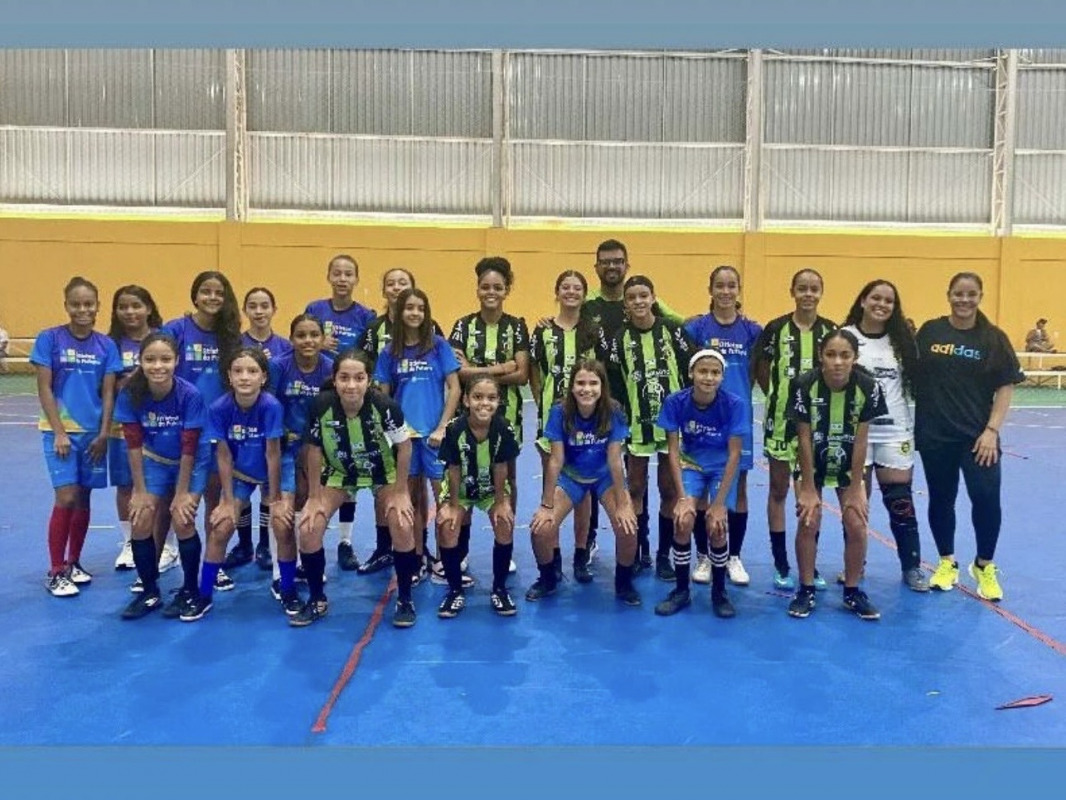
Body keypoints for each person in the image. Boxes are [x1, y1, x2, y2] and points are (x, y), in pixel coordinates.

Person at [914, 272, 1023, 601]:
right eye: (958, 294)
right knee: (941, 499)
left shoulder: (993, 338)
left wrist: (992, 430)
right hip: (936, 436)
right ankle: (946, 562)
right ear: (948, 295)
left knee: (986, 499)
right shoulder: (931, 332)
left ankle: (984, 565)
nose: (964, 300)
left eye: (971, 294)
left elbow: (1005, 386)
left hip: (978, 439)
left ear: (980, 296)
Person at [297, 349, 417, 628]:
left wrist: (400, 491)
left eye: (359, 378)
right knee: (308, 527)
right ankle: (317, 599)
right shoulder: (320, 406)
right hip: (341, 472)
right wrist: (314, 497)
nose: (351, 385)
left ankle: (405, 599)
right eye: (345, 378)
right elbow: (312, 451)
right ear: (335, 380)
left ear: (369, 380)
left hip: (381, 472)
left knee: (401, 522)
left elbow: (404, 446)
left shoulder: (385, 406)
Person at [580, 239, 683, 558]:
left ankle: (663, 553)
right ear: (596, 266)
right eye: (606, 261)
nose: (612, 266)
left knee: (668, 487)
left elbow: (684, 330)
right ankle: (623, 547)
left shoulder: (667, 325)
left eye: (619, 261)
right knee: (619, 481)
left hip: (666, 419)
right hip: (622, 413)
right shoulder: (591, 307)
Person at [179, 347, 292, 622]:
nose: (245, 377)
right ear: (229, 376)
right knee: (220, 528)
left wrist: (275, 497)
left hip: (274, 470)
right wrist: (229, 501)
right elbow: (224, 454)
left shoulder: (271, 406)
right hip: (241, 472)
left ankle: (288, 590)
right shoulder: (219, 408)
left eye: (252, 371)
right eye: (238, 371)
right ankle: (204, 595)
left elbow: (273, 453)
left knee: (281, 523)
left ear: (263, 377)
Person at [31, 277, 123, 597]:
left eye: (88, 304)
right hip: (61, 433)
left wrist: (103, 434)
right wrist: (58, 431)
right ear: (66, 305)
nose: (82, 309)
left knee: (83, 497)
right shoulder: (50, 339)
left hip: (94, 434)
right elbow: (44, 386)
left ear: (97, 306)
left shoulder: (106, 346)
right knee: (66, 496)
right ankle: (56, 570)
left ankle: (74, 563)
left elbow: (109, 393)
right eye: (76, 304)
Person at [787, 330, 887, 621]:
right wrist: (807, 486)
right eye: (831, 355)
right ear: (821, 356)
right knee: (809, 520)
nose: (838, 362)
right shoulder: (804, 384)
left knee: (856, 523)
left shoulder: (868, 386)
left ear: (855, 358)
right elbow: (804, 437)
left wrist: (856, 487)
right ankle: (806, 589)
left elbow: (860, 439)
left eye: (845, 355)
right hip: (812, 463)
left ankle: (853, 591)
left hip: (848, 464)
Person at [602, 275, 695, 582]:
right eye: (632, 297)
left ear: (654, 297)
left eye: (644, 295)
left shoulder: (672, 331)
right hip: (636, 426)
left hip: (670, 426)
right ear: (626, 304)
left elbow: (691, 369)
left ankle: (664, 555)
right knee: (636, 487)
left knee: (669, 488)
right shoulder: (619, 339)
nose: (639, 301)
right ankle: (641, 550)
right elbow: (613, 382)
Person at [113, 332, 211, 619]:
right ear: (140, 361)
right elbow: (132, 444)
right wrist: (140, 491)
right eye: (151, 359)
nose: (158, 366)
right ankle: (149, 590)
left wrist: (182, 494)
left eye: (166, 360)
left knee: (182, 519)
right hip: (154, 460)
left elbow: (189, 447)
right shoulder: (130, 393)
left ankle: (191, 590)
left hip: (192, 462)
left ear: (176, 361)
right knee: (141, 518)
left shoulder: (189, 395)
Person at [527, 359, 640, 605]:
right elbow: (555, 460)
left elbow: (614, 460)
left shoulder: (614, 411)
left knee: (628, 527)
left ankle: (623, 583)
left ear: (602, 386)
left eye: (593, 383)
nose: (586, 389)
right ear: (571, 386)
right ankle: (548, 579)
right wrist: (546, 505)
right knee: (541, 529)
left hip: (604, 478)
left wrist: (623, 502)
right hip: (572, 478)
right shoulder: (559, 412)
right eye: (580, 383)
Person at [752, 268, 836, 590]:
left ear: (821, 292)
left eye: (814, 288)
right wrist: (776, 397)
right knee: (778, 490)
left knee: (810, 494)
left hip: (816, 427)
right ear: (792, 290)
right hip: (780, 423)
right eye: (802, 288)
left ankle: (808, 562)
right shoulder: (775, 329)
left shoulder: (830, 331)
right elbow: (761, 367)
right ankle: (781, 562)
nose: (808, 294)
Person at [842, 280, 928, 591]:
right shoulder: (847, 336)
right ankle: (855, 565)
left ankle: (912, 567)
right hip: (856, 430)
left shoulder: (902, 341)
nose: (881, 304)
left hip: (894, 431)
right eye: (875, 298)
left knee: (900, 501)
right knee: (855, 503)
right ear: (863, 300)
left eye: (889, 300)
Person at [374, 288, 461, 585]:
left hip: (434, 437)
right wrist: (391, 436)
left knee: (444, 499)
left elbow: (455, 388)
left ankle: (445, 559)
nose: (414, 313)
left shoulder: (438, 346)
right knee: (410, 501)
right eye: (409, 307)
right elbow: (383, 397)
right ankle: (417, 556)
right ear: (399, 312)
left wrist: (442, 427)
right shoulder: (389, 353)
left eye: (420, 308)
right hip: (404, 441)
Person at [163, 270, 243, 591]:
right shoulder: (176, 329)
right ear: (194, 295)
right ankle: (172, 556)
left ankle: (215, 561)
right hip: (183, 429)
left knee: (216, 498)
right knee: (177, 499)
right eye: (206, 291)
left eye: (219, 293)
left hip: (220, 430)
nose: (212, 298)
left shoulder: (230, 336)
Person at [683, 265, 762, 588]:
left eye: (732, 286)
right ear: (710, 289)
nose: (726, 291)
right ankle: (703, 554)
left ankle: (733, 556)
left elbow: (755, 371)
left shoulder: (752, 331)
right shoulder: (696, 328)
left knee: (737, 489)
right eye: (720, 285)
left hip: (735, 419)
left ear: (739, 289)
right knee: (701, 490)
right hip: (701, 420)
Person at [362, 268, 444, 575]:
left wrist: (442, 424)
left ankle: (434, 554)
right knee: (394, 493)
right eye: (391, 283)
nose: (397, 289)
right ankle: (395, 550)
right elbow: (377, 383)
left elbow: (447, 380)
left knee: (429, 494)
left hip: (429, 430)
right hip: (397, 432)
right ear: (384, 291)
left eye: (404, 284)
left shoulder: (434, 337)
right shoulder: (378, 338)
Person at [449, 256, 529, 573]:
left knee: (507, 478)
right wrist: (501, 368)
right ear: (478, 288)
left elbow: (522, 374)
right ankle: (463, 547)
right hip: (467, 419)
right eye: (485, 286)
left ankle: (504, 542)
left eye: (497, 287)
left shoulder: (516, 326)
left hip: (508, 417)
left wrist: (477, 373)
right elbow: (457, 372)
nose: (491, 292)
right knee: (466, 477)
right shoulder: (462, 325)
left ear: (506, 289)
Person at [654, 349, 745, 618]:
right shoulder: (675, 401)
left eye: (715, 372)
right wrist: (682, 497)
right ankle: (682, 590)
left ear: (722, 377)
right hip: (691, 465)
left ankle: (719, 592)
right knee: (682, 520)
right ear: (692, 373)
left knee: (717, 527)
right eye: (703, 371)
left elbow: (734, 454)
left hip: (720, 468)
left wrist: (718, 504)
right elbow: (672, 450)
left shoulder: (734, 404)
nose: (708, 377)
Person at [305, 254, 377, 567]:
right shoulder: (315, 310)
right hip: (323, 397)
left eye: (349, 273)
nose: (343, 279)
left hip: (352, 398)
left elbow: (369, 355)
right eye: (337, 273)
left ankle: (345, 542)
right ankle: (310, 538)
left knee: (349, 471)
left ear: (356, 279)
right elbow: (304, 339)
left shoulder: (366, 315)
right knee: (322, 470)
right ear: (329, 276)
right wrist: (319, 344)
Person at [529, 270, 598, 582]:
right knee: (554, 488)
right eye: (565, 287)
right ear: (556, 292)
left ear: (584, 294)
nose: (571, 292)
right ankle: (553, 557)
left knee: (583, 492)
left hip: (586, 424)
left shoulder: (593, 332)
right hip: (552, 421)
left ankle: (581, 554)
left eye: (577, 288)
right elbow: (533, 371)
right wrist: (544, 404)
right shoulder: (542, 331)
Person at [435, 376, 521, 617]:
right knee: (449, 527)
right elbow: (453, 468)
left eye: (491, 398)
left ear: (499, 402)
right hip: (460, 489)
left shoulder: (503, 428)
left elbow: (502, 466)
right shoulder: (454, 429)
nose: (485, 403)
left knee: (504, 523)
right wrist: (453, 506)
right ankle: (454, 590)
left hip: (491, 489)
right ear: (466, 400)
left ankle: (500, 589)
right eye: (478, 397)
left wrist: (502, 503)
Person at [268, 314, 334, 594]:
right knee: (281, 506)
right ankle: (278, 569)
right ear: (292, 338)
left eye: (313, 335)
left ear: (322, 338)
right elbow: (267, 403)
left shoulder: (330, 368)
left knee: (308, 502)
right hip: (281, 445)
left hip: (315, 446)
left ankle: (306, 562)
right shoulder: (278, 366)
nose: (308, 341)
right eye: (301, 335)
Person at [229, 286, 294, 572]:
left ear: (273, 309)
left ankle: (265, 545)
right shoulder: (235, 345)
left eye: (264, 305)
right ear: (245, 310)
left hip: (271, 429)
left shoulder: (284, 347)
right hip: (241, 430)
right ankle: (244, 544)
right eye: (252, 305)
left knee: (270, 488)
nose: (259, 311)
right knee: (240, 486)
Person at [107, 285, 167, 574]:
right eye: (123, 306)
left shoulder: (162, 339)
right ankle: (130, 541)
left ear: (149, 308)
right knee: (126, 485)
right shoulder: (111, 344)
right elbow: (108, 387)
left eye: (136, 305)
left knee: (159, 487)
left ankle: (164, 544)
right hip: (124, 427)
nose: (130, 312)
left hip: (158, 429)